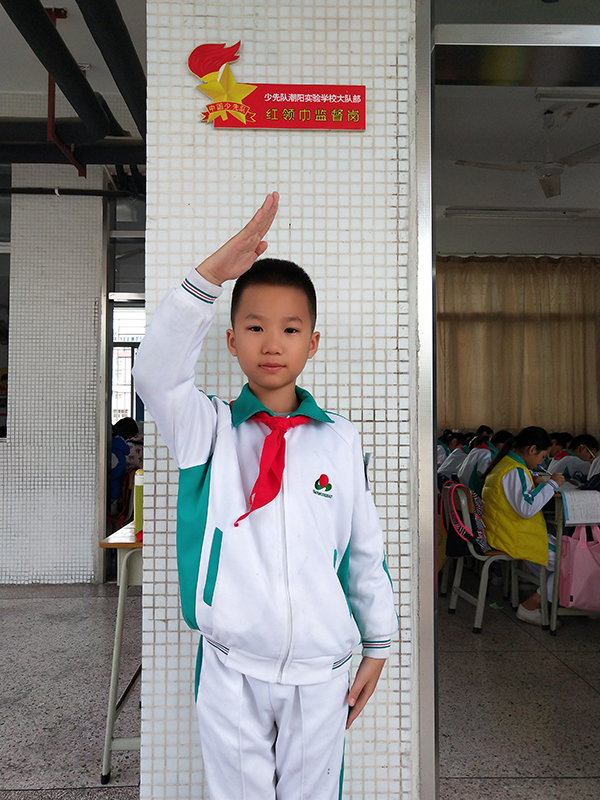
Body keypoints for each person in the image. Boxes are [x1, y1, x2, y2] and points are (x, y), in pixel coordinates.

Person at [132, 193, 398, 800]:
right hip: (231, 665)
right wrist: (211, 276)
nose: (272, 343)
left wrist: (378, 645)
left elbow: (364, 552)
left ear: (313, 342)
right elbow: (154, 375)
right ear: (231, 341)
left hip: (321, 669)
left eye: (290, 329)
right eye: (255, 327)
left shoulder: (341, 441)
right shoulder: (209, 430)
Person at [481, 426, 565, 626]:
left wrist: (538, 484)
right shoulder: (515, 470)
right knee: (570, 561)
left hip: (502, 531)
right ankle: (530, 606)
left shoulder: (506, 464)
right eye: (542, 457)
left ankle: (550, 597)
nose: (541, 462)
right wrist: (551, 484)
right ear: (532, 449)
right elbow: (527, 508)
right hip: (514, 535)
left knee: (559, 562)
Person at [457, 429, 512, 496]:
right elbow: (488, 478)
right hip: (473, 495)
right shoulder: (487, 454)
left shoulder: (480, 449)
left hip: (465, 491)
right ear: (501, 447)